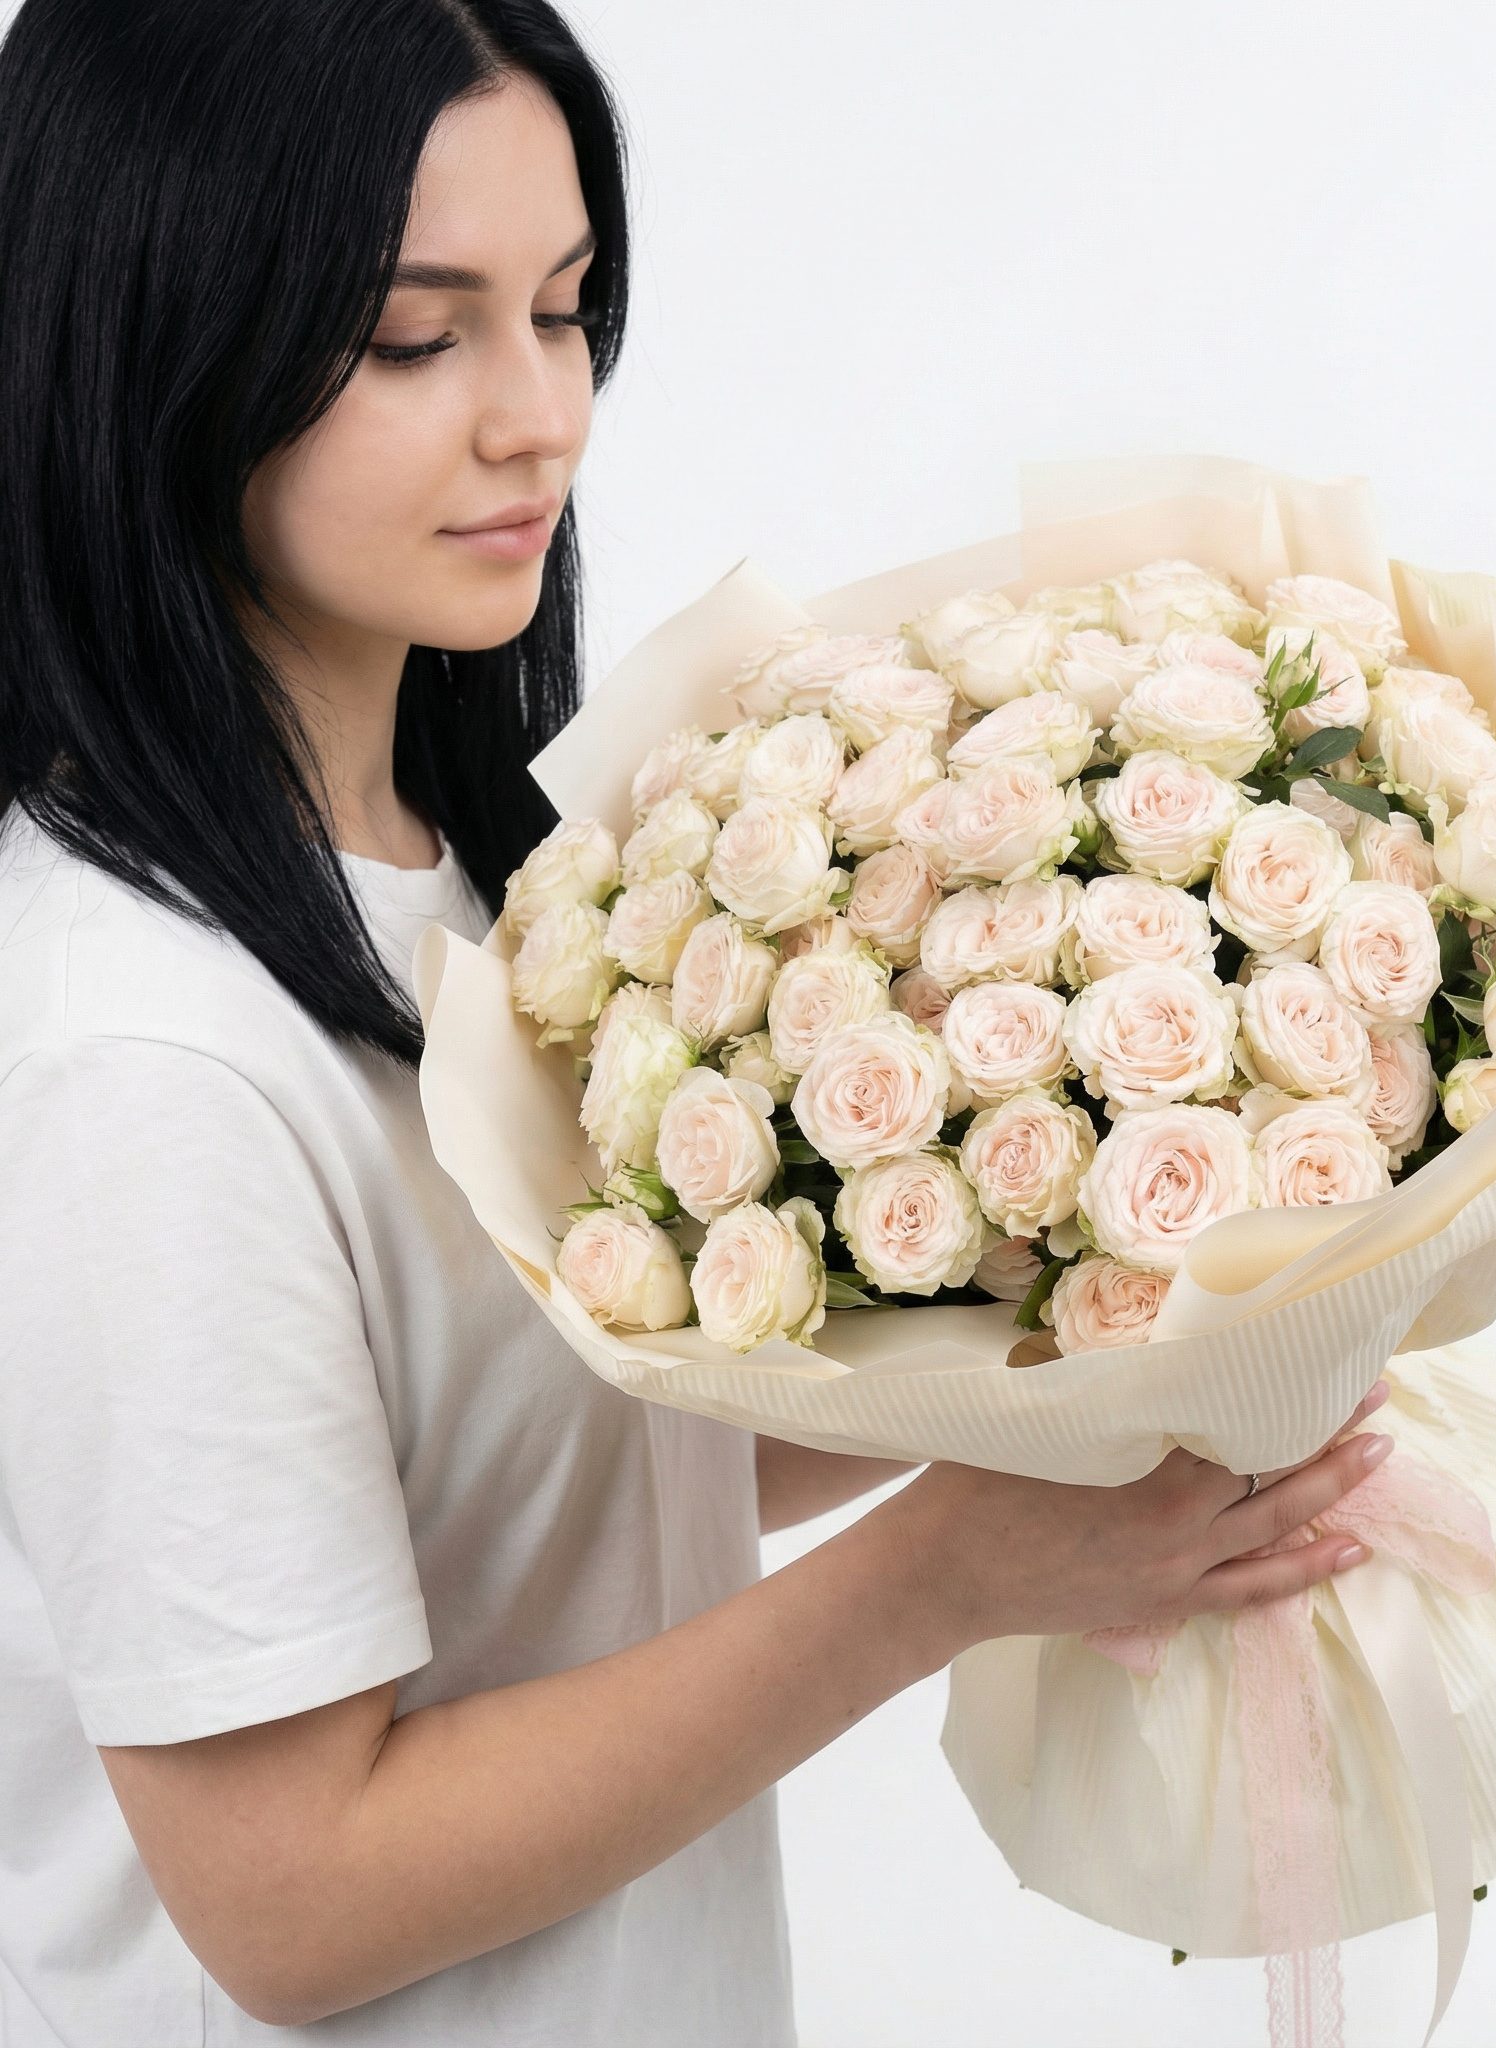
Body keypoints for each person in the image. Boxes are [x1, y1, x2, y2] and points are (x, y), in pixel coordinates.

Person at [0, 1, 1394, 2039]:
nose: (538, 416)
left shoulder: (471, 880)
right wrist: (943, 1576)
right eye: (419, 338)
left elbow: (553, 1497)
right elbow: (289, 1898)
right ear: (161, 342)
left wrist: (1103, 1320)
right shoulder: (140, 1061)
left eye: (565, 311)